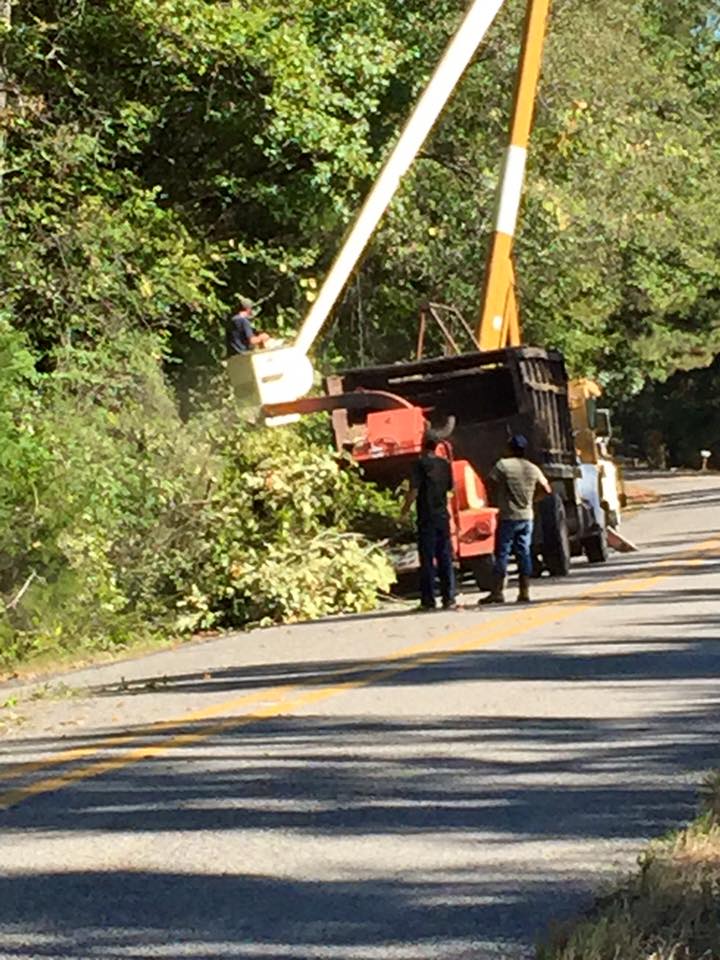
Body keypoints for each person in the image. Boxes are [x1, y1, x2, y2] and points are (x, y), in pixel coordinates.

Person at [481, 434, 551, 605]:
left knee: (503, 553)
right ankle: (524, 591)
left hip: (508, 516)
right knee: (524, 553)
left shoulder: (503, 465)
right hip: (527, 517)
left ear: (509, 448)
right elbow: (547, 489)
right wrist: (533, 500)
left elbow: (490, 481)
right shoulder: (532, 468)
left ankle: (498, 591)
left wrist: (495, 499)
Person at [402, 434, 457, 611]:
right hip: (442, 516)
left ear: (422, 446)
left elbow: (414, 490)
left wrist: (404, 511)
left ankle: (428, 600)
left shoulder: (419, 464)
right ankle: (449, 598)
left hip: (427, 517)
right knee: (445, 557)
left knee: (427, 559)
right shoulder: (445, 464)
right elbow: (451, 488)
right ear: (436, 446)